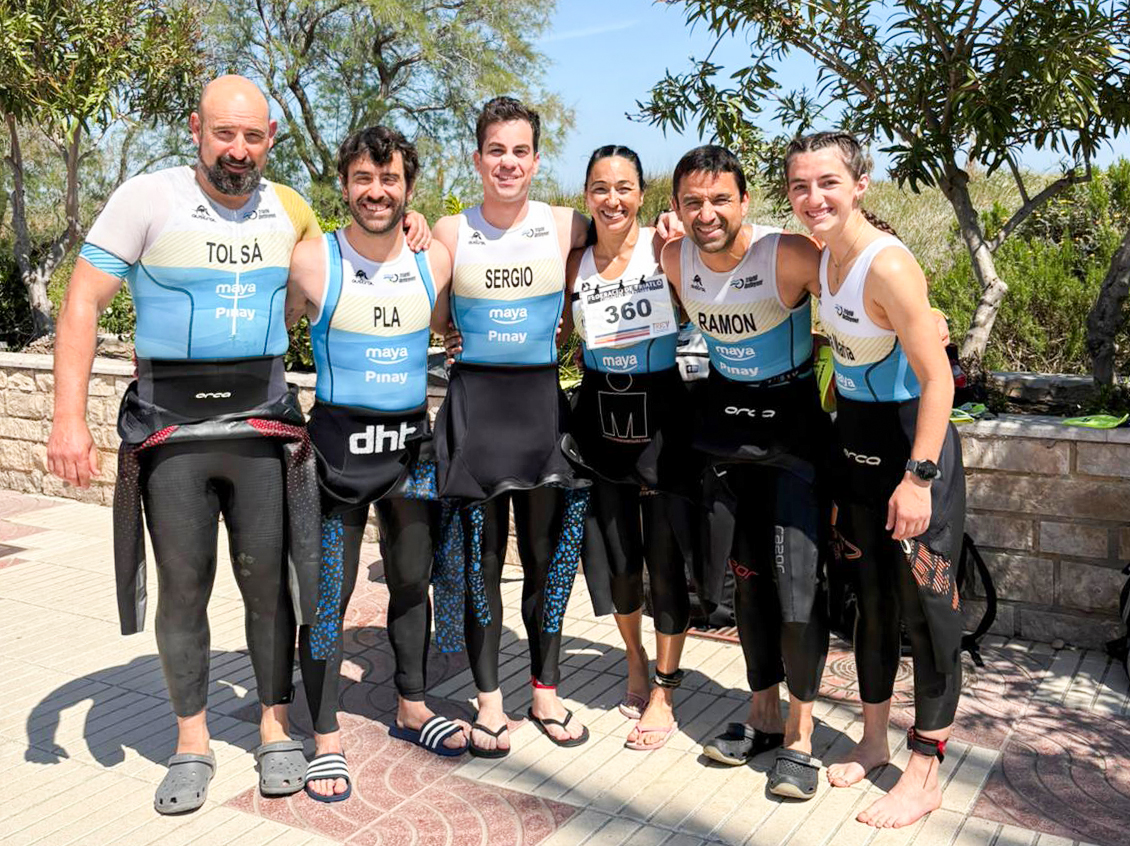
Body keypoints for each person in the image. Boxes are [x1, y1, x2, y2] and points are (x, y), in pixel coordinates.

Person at [47, 75, 323, 814]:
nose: (238, 150)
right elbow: (80, 299)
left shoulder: (289, 207)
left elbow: (342, 276)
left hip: (262, 426)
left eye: (252, 136)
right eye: (224, 134)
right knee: (184, 590)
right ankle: (191, 742)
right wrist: (67, 418)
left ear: (271, 137)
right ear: (198, 129)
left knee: (271, 587)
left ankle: (274, 730)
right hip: (172, 433)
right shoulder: (147, 198)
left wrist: (412, 232)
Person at [785, 130, 965, 828]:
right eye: (800, 185)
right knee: (870, 603)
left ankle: (926, 770)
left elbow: (938, 378)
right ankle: (873, 738)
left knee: (930, 612)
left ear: (860, 183)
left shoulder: (887, 266)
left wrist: (919, 477)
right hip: (854, 446)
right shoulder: (824, 257)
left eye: (828, 182)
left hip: (909, 450)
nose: (813, 198)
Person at [286, 126, 467, 802]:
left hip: (409, 450)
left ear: (408, 189)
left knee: (412, 582)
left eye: (389, 180)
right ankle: (326, 737)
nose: (376, 191)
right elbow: (265, 329)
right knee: (325, 595)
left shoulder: (436, 260)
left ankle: (412, 705)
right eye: (364, 178)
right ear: (345, 184)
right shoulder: (310, 260)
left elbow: (450, 327)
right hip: (334, 450)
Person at [661, 145, 830, 799]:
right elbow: (692, 332)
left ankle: (801, 738)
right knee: (748, 586)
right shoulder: (673, 257)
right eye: (693, 202)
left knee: (796, 590)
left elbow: (857, 292)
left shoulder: (786, 254)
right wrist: (696, 388)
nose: (707, 213)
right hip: (728, 444)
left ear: (744, 201)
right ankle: (762, 715)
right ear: (676, 208)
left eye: (720, 199)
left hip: (793, 443)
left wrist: (922, 322)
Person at [428, 97, 594, 757]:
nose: (508, 162)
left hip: (540, 411)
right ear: (478, 158)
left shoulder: (563, 224)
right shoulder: (447, 231)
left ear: (534, 159)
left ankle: (546, 692)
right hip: (475, 413)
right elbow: (429, 305)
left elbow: (623, 229)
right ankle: (490, 701)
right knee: (482, 568)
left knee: (549, 563)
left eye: (520, 151)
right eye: (496, 150)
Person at [562, 145, 698, 750]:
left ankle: (665, 689)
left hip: (663, 422)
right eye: (599, 188)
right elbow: (558, 332)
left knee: (665, 563)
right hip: (600, 420)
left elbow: (718, 292)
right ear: (586, 195)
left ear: (642, 194)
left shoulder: (666, 249)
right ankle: (635, 657)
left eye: (623, 188)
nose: (611, 200)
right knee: (620, 562)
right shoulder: (575, 263)